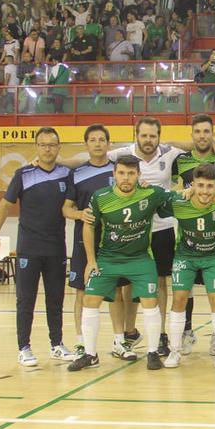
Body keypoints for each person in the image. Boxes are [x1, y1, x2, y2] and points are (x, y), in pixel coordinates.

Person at [67, 155, 172, 371]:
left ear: (138, 175)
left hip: (140, 259)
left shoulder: (151, 193)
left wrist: (189, 192)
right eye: (122, 173)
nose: (126, 178)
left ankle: (153, 353)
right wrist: (90, 261)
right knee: (90, 300)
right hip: (108, 258)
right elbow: (88, 226)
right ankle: (89, 354)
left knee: (150, 302)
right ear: (114, 174)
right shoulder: (100, 197)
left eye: (131, 173)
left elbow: (177, 199)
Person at [0, 128, 74, 367]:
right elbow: (5, 206)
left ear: (59, 147)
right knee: (26, 300)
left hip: (56, 247)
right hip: (29, 248)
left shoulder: (67, 174)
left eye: (52, 144)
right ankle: (23, 347)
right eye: (43, 144)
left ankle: (57, 344)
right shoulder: (23, 174)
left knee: (55, 299)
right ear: (36, 147)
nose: (47, 149)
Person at [107, 117, 187, 356]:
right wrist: (59, 160)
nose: (148, 140)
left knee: (162, 282)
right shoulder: (123, 154)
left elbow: (196, 143)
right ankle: (129, 333)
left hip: (161, 228)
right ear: (136, 135)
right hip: (132, 229)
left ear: (159, 137)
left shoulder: (170, 152)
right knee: (128, 283)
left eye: (153, 136)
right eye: (144, 135)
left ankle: (161, 334)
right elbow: (90, 157)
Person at [62, 125, 139, 363]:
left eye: (102, 139)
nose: (97, 143)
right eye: (93, 140)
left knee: (115, 291)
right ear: (86, 145)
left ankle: (119, 342)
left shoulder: (118, 171)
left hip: (114, 242)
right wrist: (79, 215)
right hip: (83, 241)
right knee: (82, 292)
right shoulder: (76, 173)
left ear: (109, 143)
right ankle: (82, 344)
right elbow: (66, 208)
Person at [157, 163, 215, 369]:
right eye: (200, 186)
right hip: (185, 257)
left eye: (210, 186)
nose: (205, 191)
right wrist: (178, 191)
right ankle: (174, 351)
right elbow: (156, 199)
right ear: (193, 185)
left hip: (213, 257)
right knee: (179, 298)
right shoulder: (179, 201)